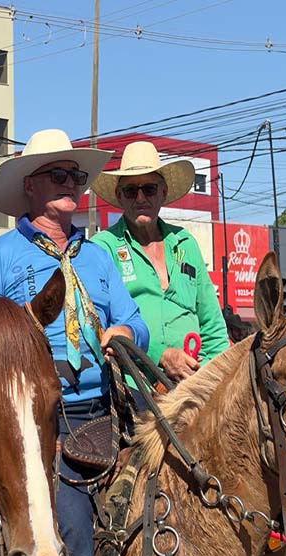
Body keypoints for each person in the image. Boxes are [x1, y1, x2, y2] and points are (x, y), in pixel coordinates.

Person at [0, 129, 149, 556]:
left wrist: (126, 331)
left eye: (77, 176)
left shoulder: (98, 258)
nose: (73, 184)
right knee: (72, 532)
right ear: (31, 187)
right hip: (35, 424)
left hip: (105, 409)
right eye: (60, 176)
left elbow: (136, 321)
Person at [91, 141, 227, 381]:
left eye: (149, 189)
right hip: (136, 382)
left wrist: (211, 375)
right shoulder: (104, 247)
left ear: (163, 193)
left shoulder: (185, 242)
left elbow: (212, 322)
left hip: (196, 378)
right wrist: (159, 355)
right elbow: (102, 326)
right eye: (131, 191)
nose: (140, 197)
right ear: (119, 196)